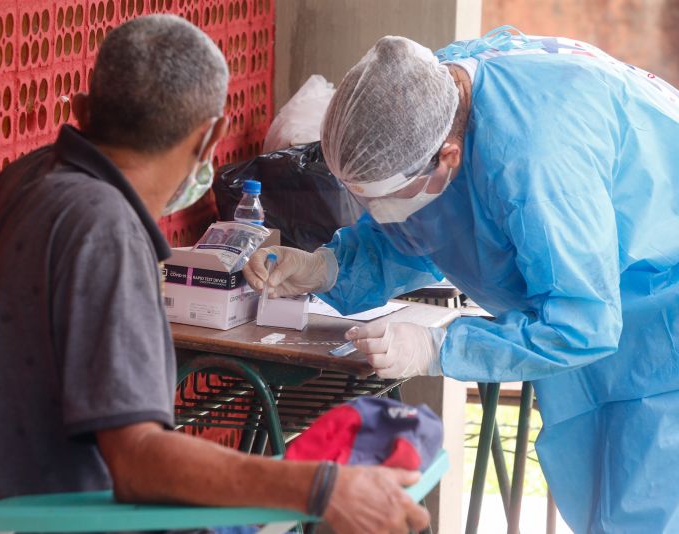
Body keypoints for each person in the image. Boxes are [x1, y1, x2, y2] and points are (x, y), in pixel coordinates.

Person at [0, 15, 430, 534]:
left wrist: (53, 358)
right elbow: (138, 463)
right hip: (56, 517)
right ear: (212, 137)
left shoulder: (25, 176)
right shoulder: (107, 232)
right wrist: (320, 489)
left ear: (81, 110)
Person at [244, 27, 679, 533]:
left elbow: (583, 323)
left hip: (662, 331)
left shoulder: (540, 167)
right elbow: (430, 219)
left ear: (447, 156)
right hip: (618, 309)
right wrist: (326, 267)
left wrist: (439, 347)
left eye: (380, 196)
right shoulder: (431, 94)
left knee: (645, 512)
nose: (375, 212)